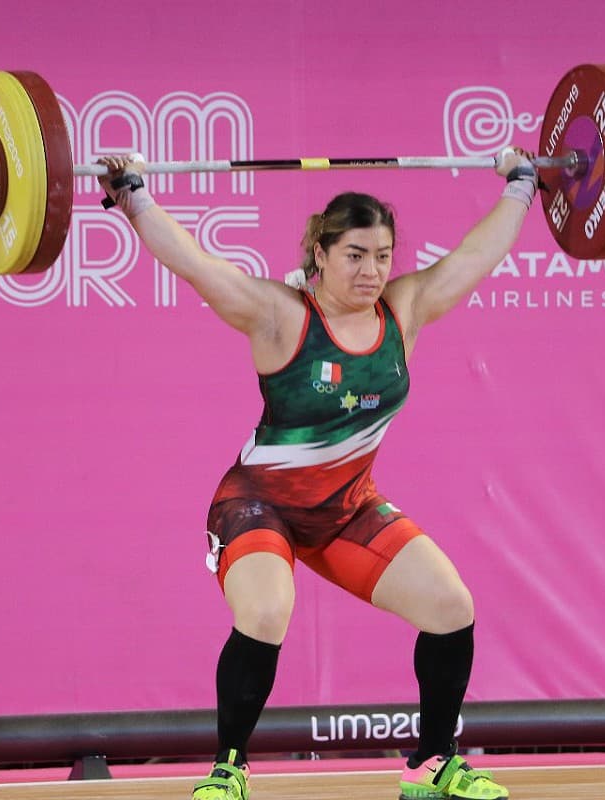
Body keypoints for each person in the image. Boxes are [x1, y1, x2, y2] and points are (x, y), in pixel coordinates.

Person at [99, 146, 537, 800]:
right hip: (258, 506)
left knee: (451, 606)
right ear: (321, 253)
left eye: (383, 256)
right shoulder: (281, 316)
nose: (371, 270)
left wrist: (521, 186)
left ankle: (431, 765)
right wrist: (132, 194)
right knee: (269, 611)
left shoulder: (403, 310)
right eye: (355, 255)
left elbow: (475, 257)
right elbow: (194, 263)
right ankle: (228, 769)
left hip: (346, 510)